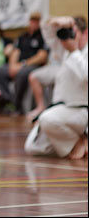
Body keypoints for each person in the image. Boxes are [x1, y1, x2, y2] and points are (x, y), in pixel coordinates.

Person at [24, 16, 88, 159]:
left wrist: (74, 52)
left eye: (74, 32)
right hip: (61, 111)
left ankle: (79, 140)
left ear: (85, 33)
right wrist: (56, 22)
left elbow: (85, 75)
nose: (71, 36)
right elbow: (47, 32)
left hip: (80, 111)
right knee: (33, 147)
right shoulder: (65, 51)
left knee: (47, 119)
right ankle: (72, 142)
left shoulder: (79, 53)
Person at [0, 12, 49, 114]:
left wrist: (23, 64)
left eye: (36, 21)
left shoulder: (43, 36)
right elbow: (16, 51)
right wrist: (12, 66)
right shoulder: (23, 36)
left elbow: (42, 56)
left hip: (33, 65)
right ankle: (8, 99)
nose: (34, 23)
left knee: (21, 74)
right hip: (19, 65)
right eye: (32, 21)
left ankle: (17, 105)